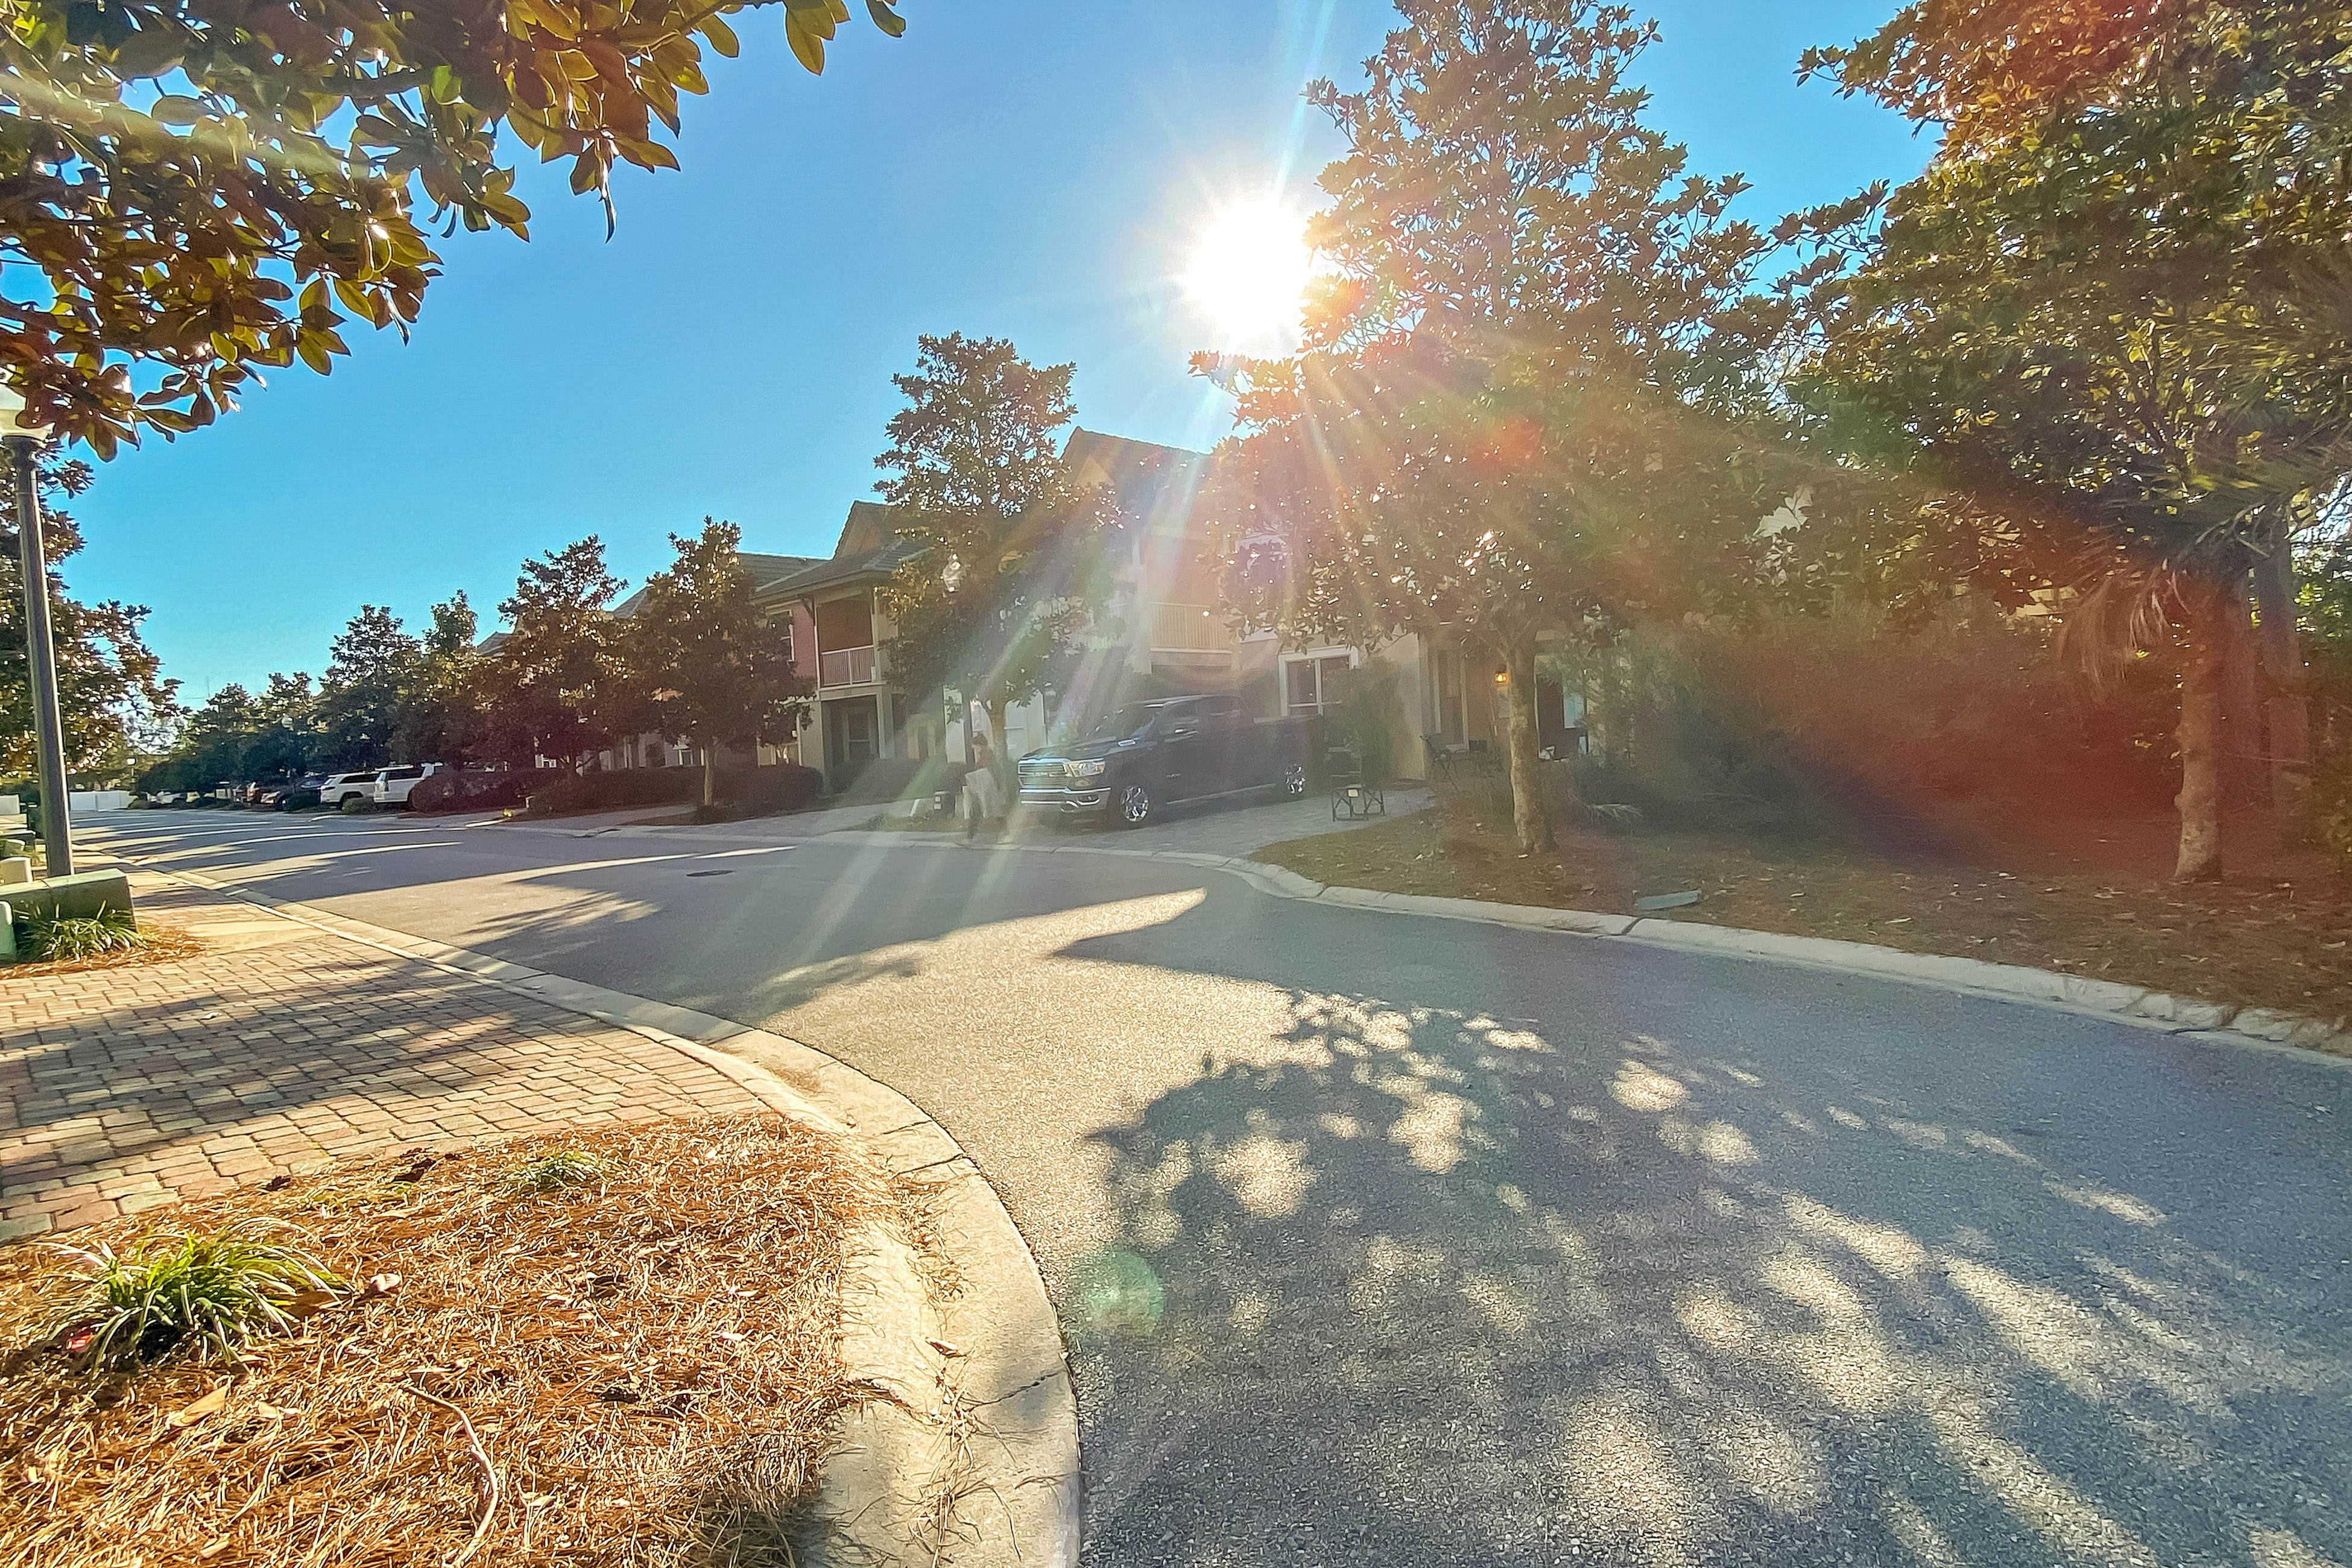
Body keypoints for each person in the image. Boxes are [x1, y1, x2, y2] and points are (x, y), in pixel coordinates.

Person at [963, 732, 1002, 841]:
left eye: (975, 748)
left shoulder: (987, 756)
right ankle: (970, 838)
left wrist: (971, 777)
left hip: (986, 790)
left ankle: (969, 839)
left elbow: (985, 773)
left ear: (980, 745)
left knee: (990, 811)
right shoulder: (986, 755)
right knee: (991, 811)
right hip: (984, 790)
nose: (975, 750)